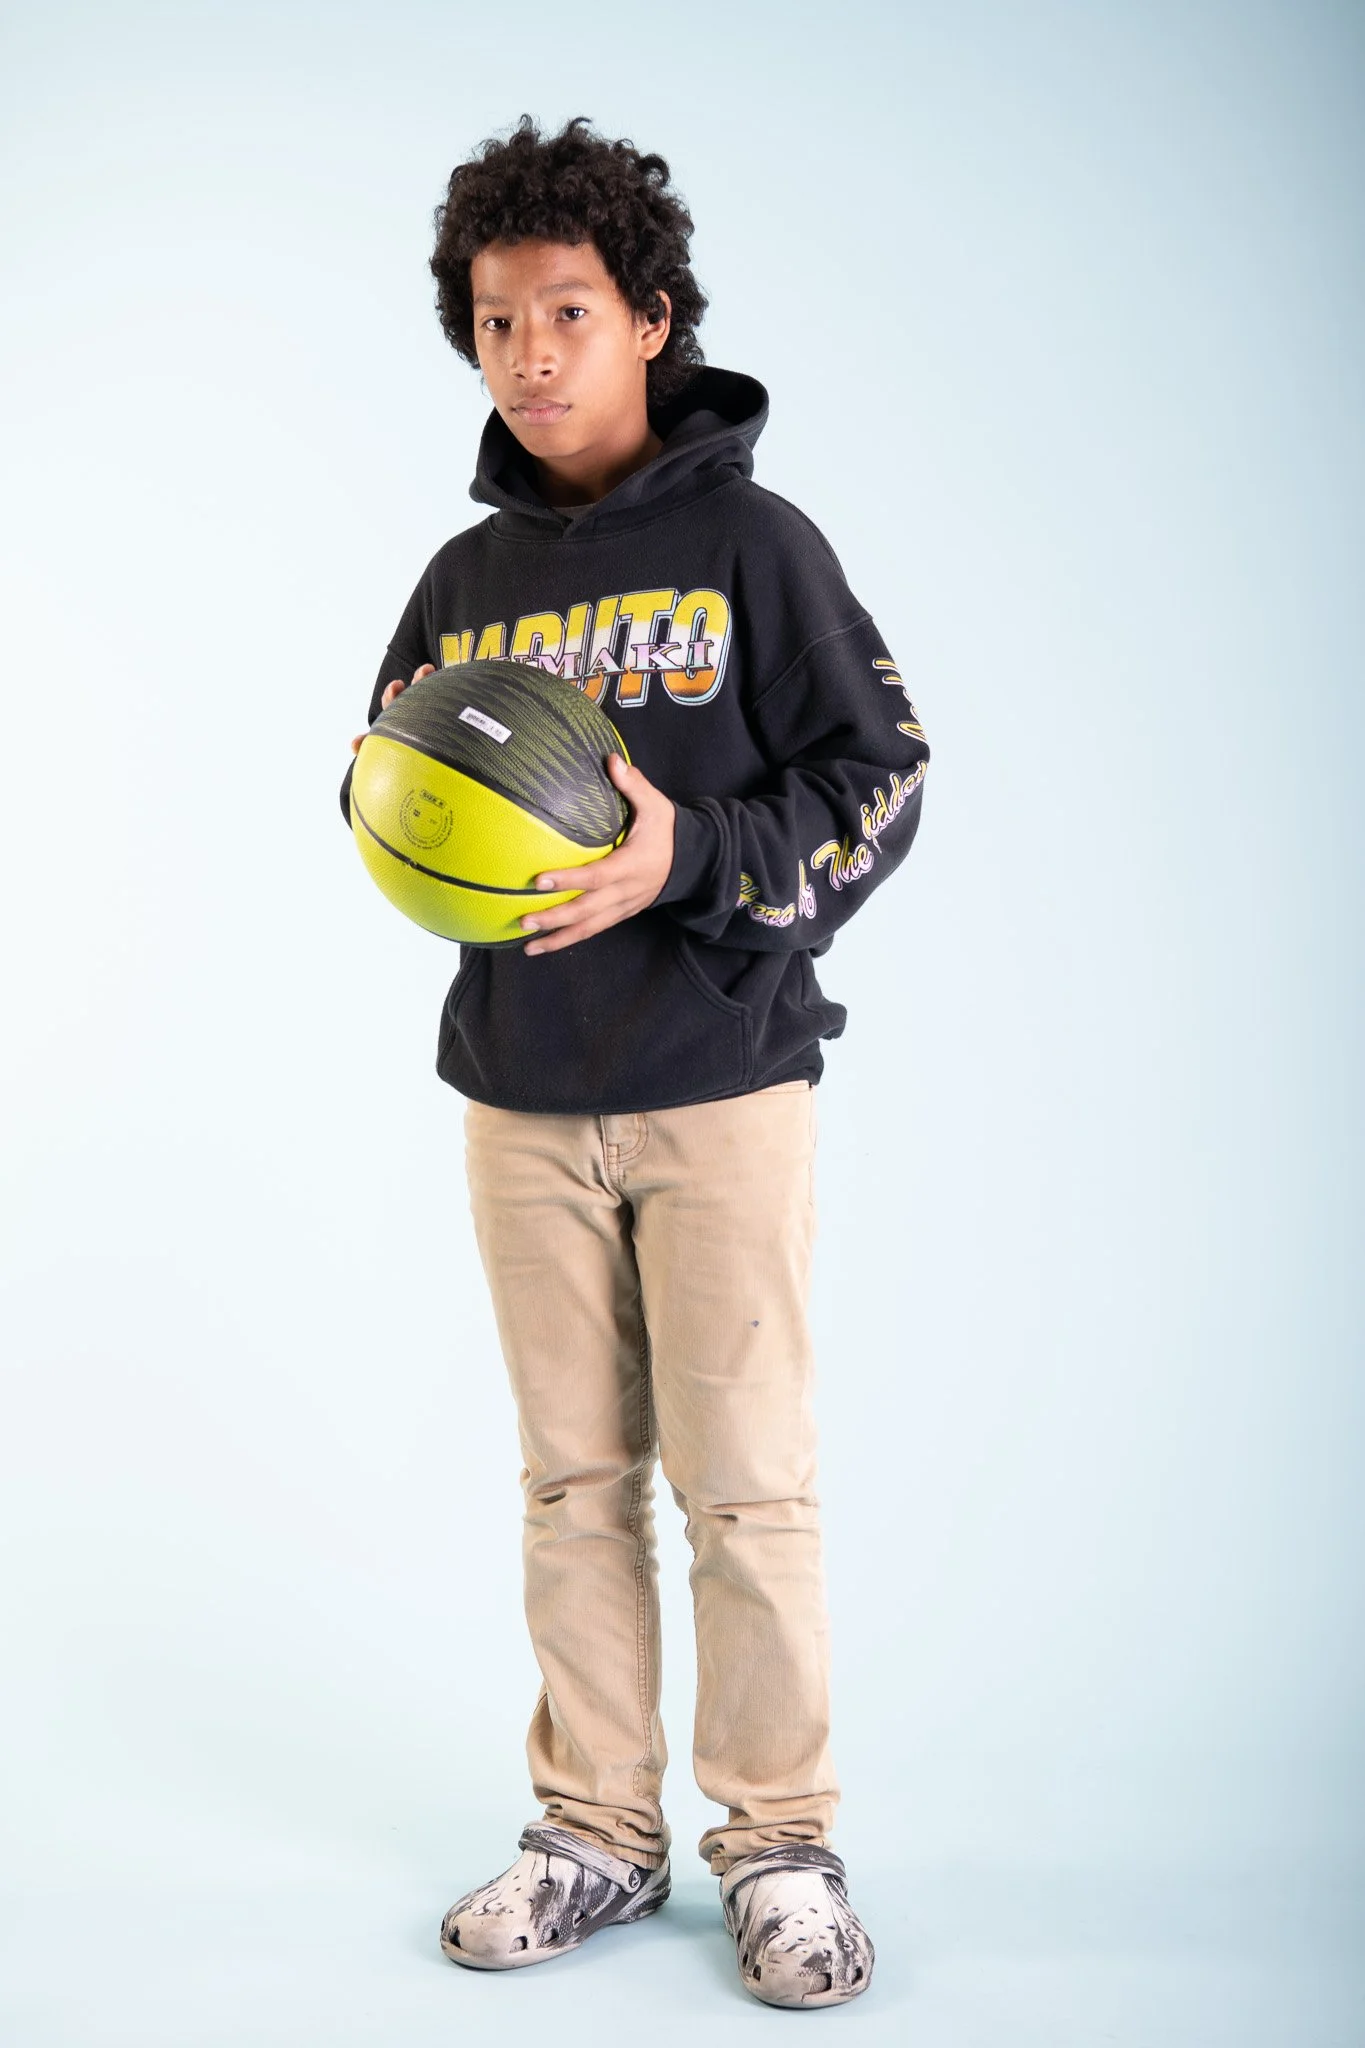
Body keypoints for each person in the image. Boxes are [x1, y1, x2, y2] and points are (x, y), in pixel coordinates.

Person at [339, 113, 930, 2011]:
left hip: (723, 1085)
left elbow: (884, 780)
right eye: (498, 321)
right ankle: (594, 1826)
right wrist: (418, 814)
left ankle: (781, 1841)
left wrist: (697, 857)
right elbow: (383, 786)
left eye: (568, 311)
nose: (530, 351)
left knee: (744, 1485)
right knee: (570, 1482)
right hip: (520, 1097)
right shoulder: (459, 581)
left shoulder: (757, 544)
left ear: (651, 319)